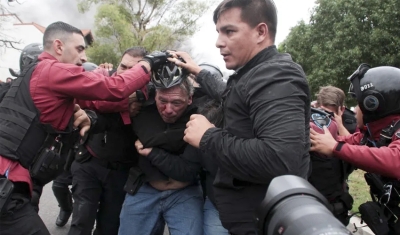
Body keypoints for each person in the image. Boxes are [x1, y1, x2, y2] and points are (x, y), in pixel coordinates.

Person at [0, 21, 167, 235]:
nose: (84, 58)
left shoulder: (43, 76)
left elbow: (98, 102)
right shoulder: (52, 71)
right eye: (79, 49)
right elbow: (114, 89)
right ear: (59, 47)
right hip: (8, 182)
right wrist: (148, 64)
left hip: (20, 183)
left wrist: (134, 99)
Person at [170, 1, 311, 234]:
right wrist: (198, 71)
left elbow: (281, 159)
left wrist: (207, 137)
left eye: (229, 31)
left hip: (263, 223)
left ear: (260, 32)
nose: (218, 42)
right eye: (218, 32)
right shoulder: (254, 73)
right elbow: (233, 95)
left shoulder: (276, 75)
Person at [310, 64, 400, 234]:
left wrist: (336, 148)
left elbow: (395, 160)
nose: (356, 109)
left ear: (373, 104)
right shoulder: (379, 134)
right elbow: (347, 141)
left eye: (359, 103)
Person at [68, 47, 148, 235]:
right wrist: (121, 105)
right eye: (123, 66)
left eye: (132, 70)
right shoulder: (102, 81)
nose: (125, 73)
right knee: (81, 221)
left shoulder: (149, 96)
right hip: (90, 162)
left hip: (122, 171)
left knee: (110, 226)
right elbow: (90, 105)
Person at [119, 62, 203, 235]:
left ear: (189, 99)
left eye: (177, 103)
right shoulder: (140, 110)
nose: (168, 109)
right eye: (162, 101)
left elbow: (186, 171)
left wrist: (151, 152)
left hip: (184, 193)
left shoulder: (199, 119)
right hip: (143, 188)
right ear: (155, 95)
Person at [308, 86, 354, 225]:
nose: (324, 120)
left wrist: (339, 125)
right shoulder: (305, 119)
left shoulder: (349, 123)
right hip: (313, 195)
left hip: (335, 197)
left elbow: (357, 151)